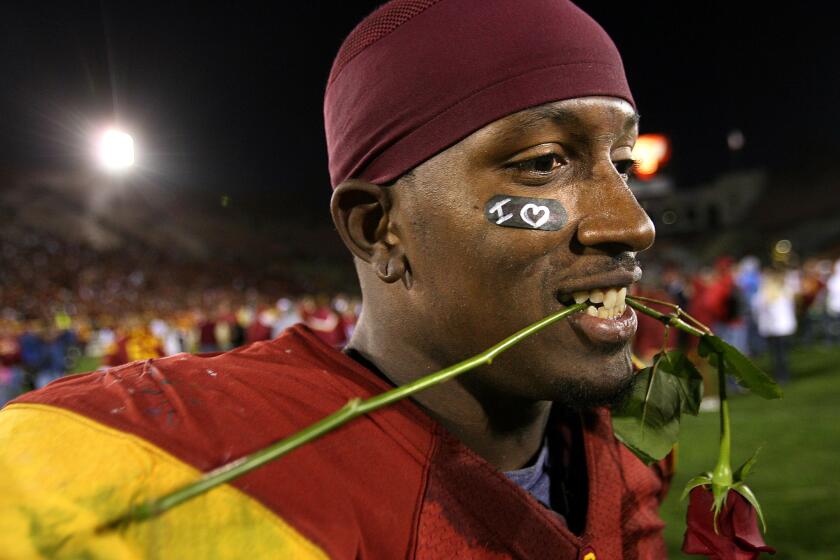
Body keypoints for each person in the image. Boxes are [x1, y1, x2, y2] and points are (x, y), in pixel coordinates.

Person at [0, 1, 671, 558]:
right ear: (378, 227)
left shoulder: (618, 475)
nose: (633, 223)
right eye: (545, 162)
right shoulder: (205, 477)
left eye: (623, 162)